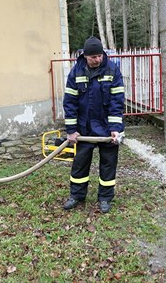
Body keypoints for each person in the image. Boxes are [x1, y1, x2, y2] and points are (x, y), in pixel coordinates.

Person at [62, 36, 125, 213]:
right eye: (93, 57)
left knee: (108, 164)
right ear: (85, 56)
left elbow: (117, 101)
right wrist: (71, 130)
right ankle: (76, 196)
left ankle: (105, 198)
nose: (97, 59)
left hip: (106, 129)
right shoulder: (76, 72)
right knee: (80, 164)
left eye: (99, 56)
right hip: (84, 129)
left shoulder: (113, 70)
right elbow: (70, 102)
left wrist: (115, 129)